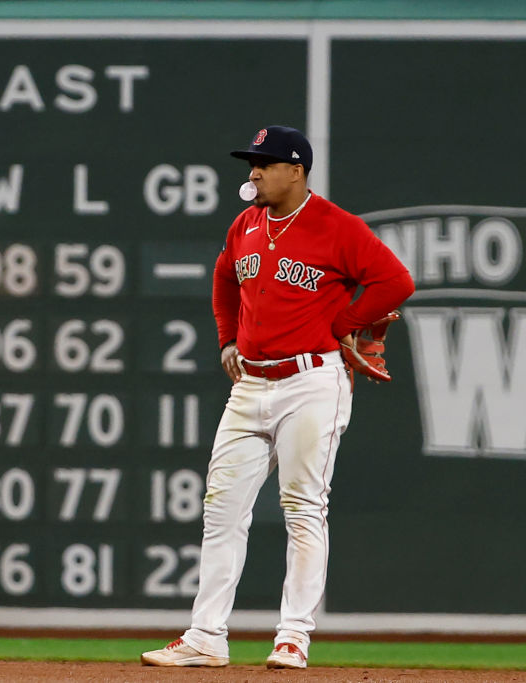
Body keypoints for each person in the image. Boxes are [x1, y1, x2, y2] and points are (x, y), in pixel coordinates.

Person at [141, 125, 415, 669]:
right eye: (253, 163)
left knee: (303, 508)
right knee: (221, 510)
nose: (254, 172)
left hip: (311, 382)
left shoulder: (337, 227)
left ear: (297, 171)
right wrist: (226, 338)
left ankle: (293, 636)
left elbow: (395, 281)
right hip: (251, 385)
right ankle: (206, 637)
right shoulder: (245, 224)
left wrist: (345, 321)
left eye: (265, 163)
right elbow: (223, 279)